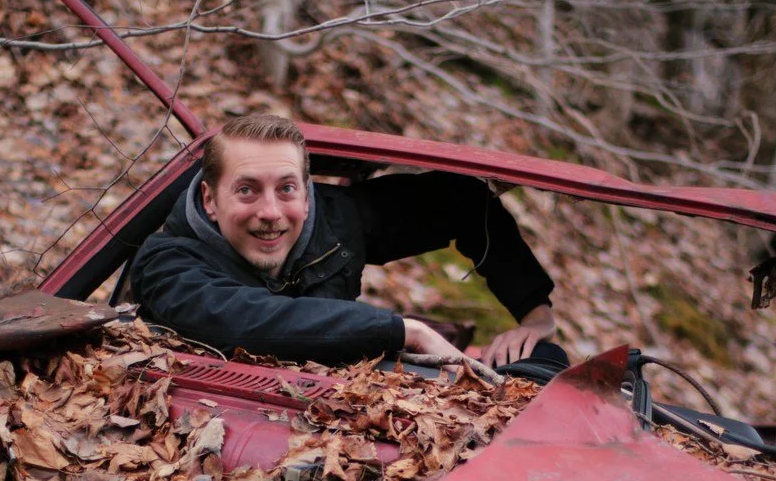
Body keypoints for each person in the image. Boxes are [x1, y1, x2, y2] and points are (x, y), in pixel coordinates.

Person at [129, 114, 567, 370]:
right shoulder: (166, 262)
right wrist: (405, 332)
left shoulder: (337, 220)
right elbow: (241, 321)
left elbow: (465, 202)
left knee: (545, 361)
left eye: (286, 189)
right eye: (246, 190)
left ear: (306, 191)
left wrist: (534, 315)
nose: (270, 212)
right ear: (210, 199)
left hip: (339, 410)